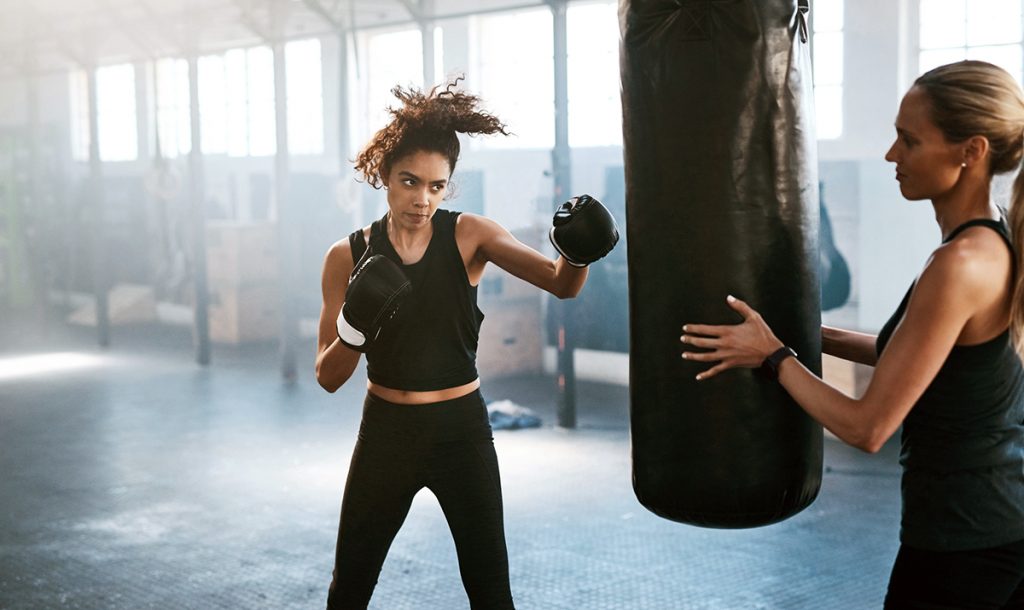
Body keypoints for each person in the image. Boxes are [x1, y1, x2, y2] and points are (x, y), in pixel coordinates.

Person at [679, 60, 1024, 608]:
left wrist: (774, 357)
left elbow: (867, 428)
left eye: (908, 141)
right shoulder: (992, 238)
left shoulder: (960, 265)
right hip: (988, 526)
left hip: (966, 542)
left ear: (971, 150)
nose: (892, 155)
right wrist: (809, 335)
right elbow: (918, 360)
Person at [314, 79, 619, 610]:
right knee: (348, 591)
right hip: (386, 433)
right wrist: (354, 327)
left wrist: (578, 253)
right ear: (385, 174)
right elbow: (327, 375)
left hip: (462, 434)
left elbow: (560, 284)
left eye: (436, 186)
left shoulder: (469, 235)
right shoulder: (348, 255)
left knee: (491, 595)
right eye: (410, 182)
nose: (422, 198)